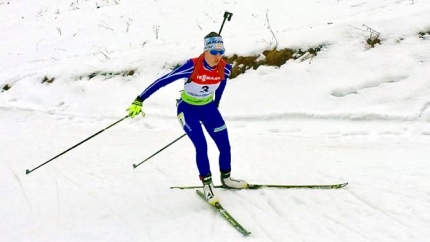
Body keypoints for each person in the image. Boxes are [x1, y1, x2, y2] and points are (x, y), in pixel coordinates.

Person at [126, 32, 248, 205]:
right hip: (187, 109)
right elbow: (163, 80)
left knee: (225, 145)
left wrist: (216, 103)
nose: (217, 56)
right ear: (206, 50)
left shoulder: (225, 67)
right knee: (201, 145)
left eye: (221, 52)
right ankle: (207, 185)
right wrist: (140, 99)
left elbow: (222, 85)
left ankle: (226, 178)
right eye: (213, 52)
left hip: (208, 108)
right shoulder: (192, 66)